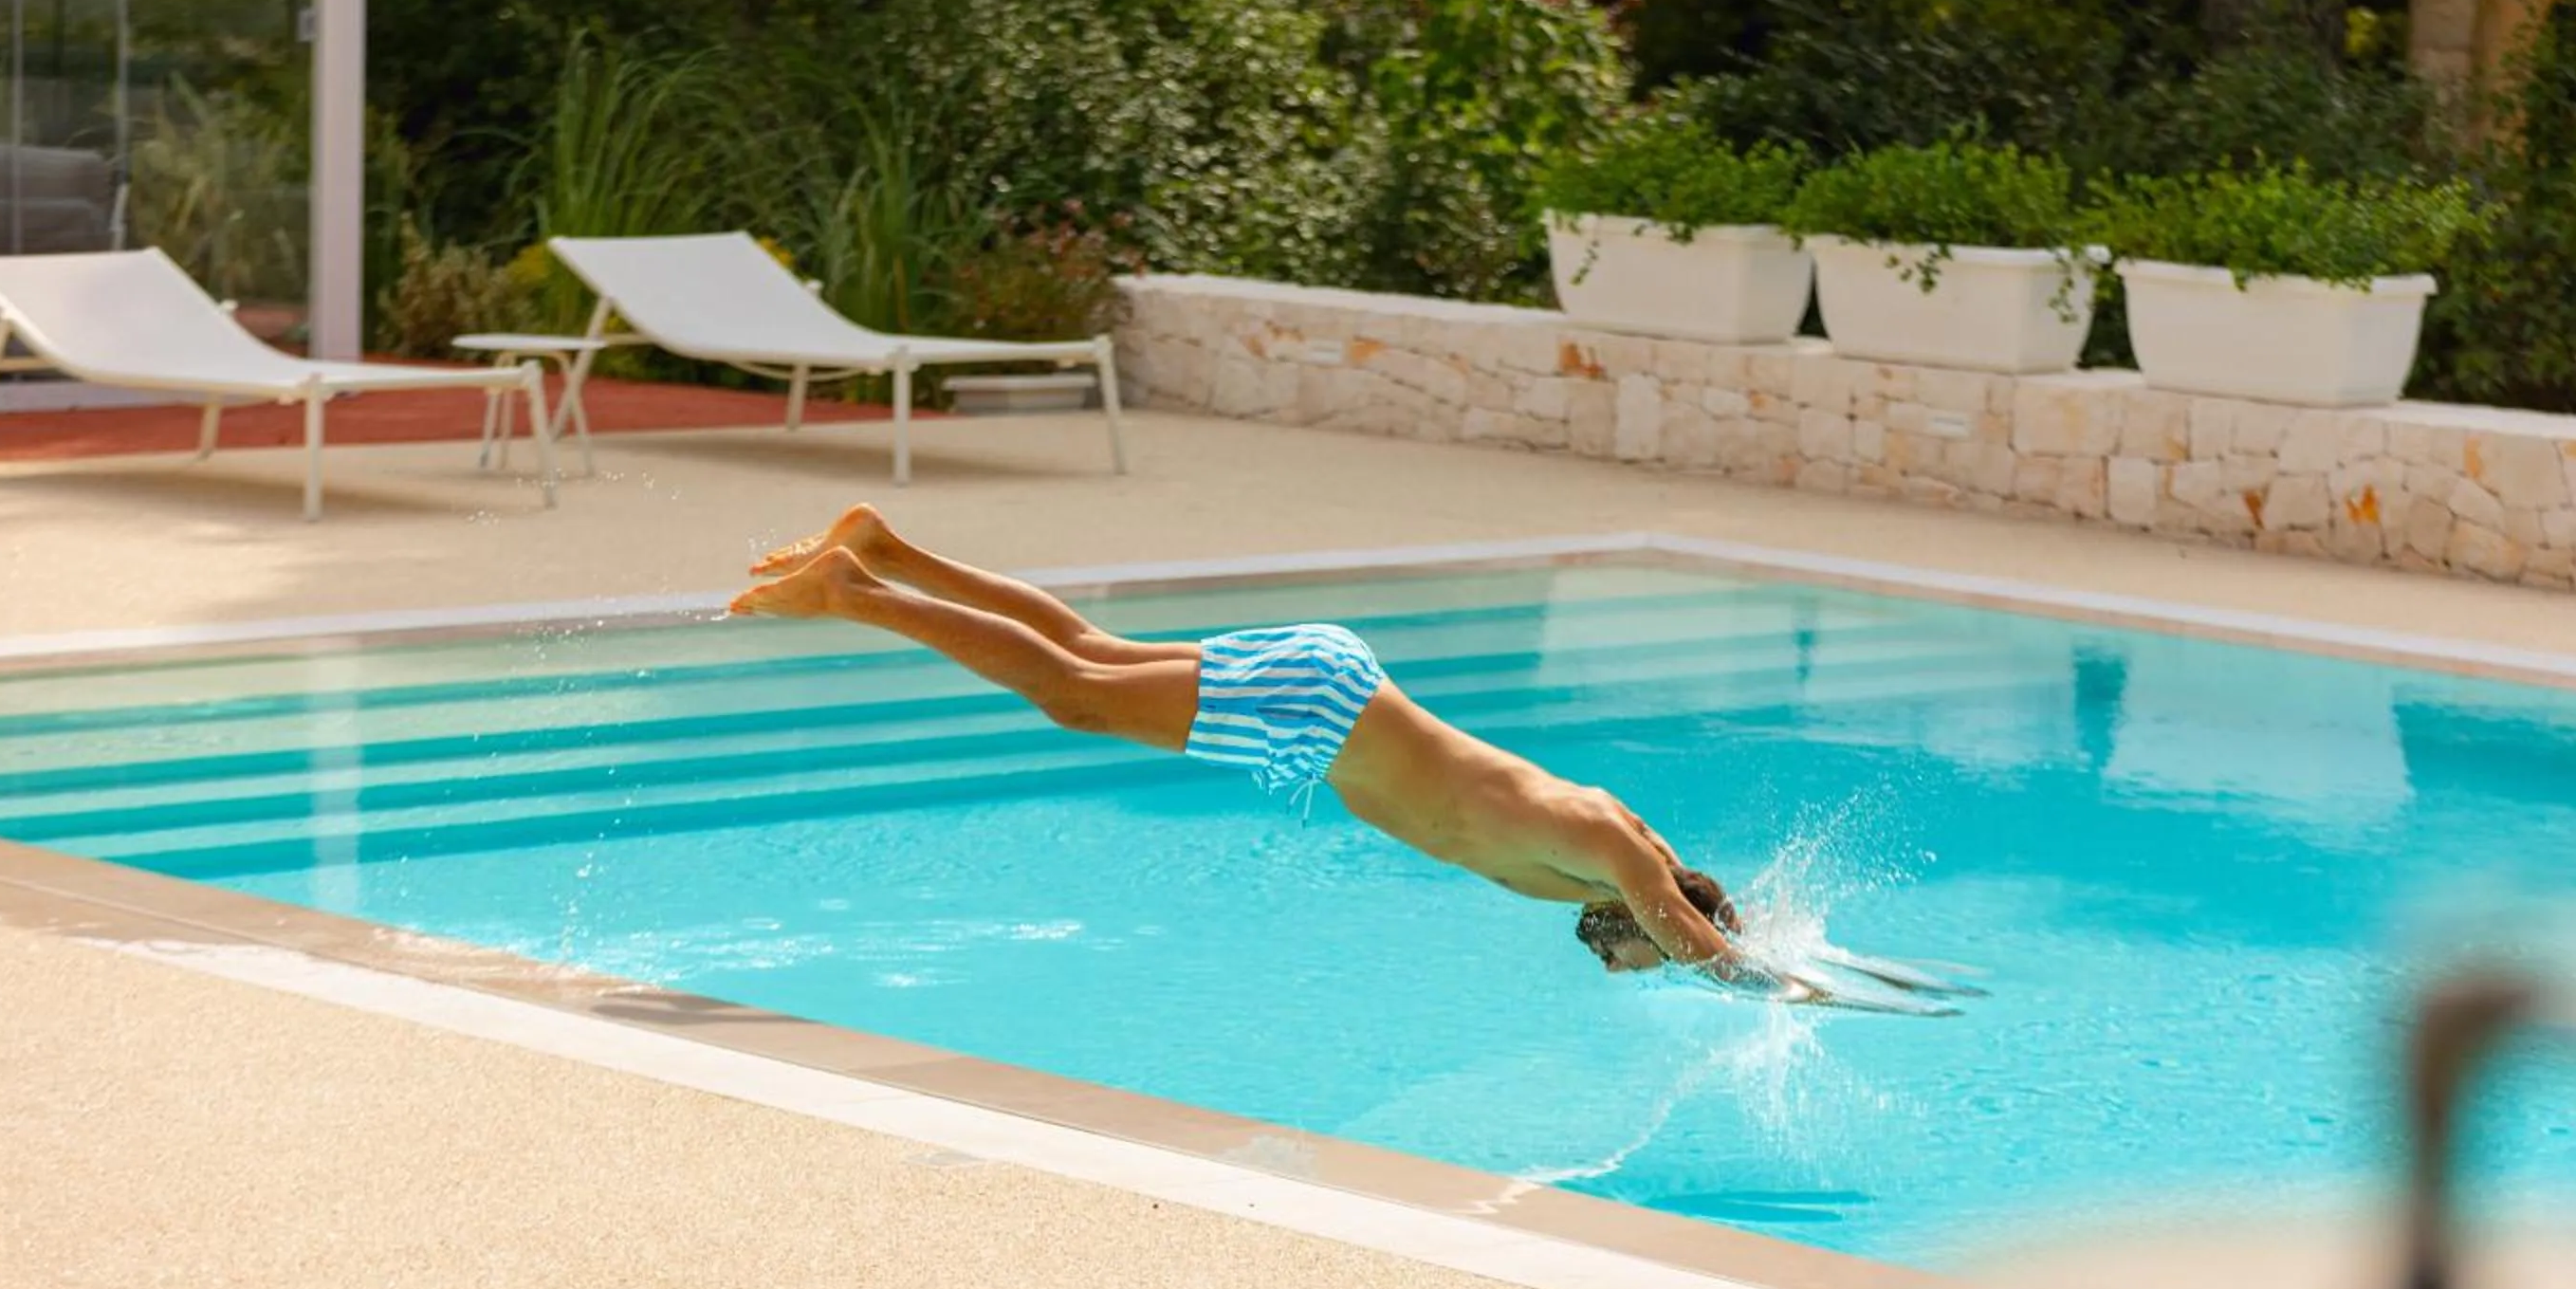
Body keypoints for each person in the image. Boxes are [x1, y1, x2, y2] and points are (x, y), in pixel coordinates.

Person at [730, 506, 1961, 1009]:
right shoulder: (1611, 856)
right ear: (1655, 913)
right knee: (1077, 697)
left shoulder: (1619, 842)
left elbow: (1693, 914)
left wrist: (1798, 949)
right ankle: (853, 591)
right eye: (1638, 950)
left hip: (1340, 684)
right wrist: (1801, 989)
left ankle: (886, 549)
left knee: (1091, 655)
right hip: (1326, 714)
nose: (1619, 962)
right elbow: (1708, 949)